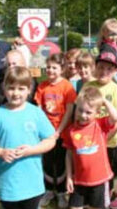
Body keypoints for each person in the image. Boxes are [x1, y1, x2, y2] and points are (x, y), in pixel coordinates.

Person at [0, 66, 56, 209]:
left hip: (32, 184)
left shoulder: (36, 113)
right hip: (7, 184)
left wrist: (32, 150)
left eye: (21, 88)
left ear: (29, 90)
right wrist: (1, 152)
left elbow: (50, 140)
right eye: (11, 88)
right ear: (4, 88)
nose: (15, 93)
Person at [83, 44, 117, 208]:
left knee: (108, 172)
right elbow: (80, 109)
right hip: (89, 140)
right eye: (101, 67)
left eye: (109, 69)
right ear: (95, 67)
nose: (103, 71)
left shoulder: (116, 89)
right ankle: (89, 197)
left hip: (109, 141)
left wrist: (107, 136)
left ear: (115, 71)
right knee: (90, 168)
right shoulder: (88, 86)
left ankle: (105, 199)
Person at [63, 87, 117, 209]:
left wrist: (104, 102)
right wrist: (69, 177)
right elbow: (68, 154)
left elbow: (116, 118)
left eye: (89, 112)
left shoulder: (100, 125)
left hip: (100, 181)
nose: (83, 115)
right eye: (80, 110)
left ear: (97, 112)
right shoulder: (71, 131)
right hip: (79, 181)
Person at [35, 53, 77, 208]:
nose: (50, 70)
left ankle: (60, 192)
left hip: (61, 133)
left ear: (62, 68)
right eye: (48, 67)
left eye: (54, 67)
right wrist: (44, 130)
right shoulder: (42, 86)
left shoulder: (67, 86)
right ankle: (48, 190)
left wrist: (58, 131)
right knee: (47, 161)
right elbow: (39, 110)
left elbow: (69, 111)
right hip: (46, 133)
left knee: (60, 162)